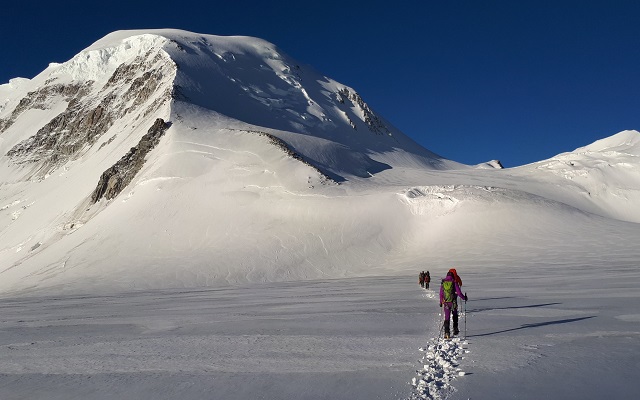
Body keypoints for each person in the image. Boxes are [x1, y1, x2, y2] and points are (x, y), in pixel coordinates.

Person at [440, 270, 468, 339]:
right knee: (455, 315)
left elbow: (441, 294)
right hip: (453, 302)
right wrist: (464, 298)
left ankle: (447, 332)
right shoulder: (454, 282)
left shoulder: (443, 283)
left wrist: (441, 302)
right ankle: (455, 329)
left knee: (447, 318)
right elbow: (459, 293)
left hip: (446, 303)